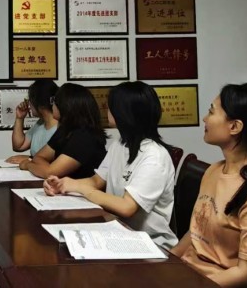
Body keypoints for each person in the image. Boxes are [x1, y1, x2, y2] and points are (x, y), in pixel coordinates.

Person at [171, 84, 247, 287]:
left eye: (211, 111)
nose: (205, 119)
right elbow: (196, 232)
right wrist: (166, 261)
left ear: (235, 127)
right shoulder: (214, 171)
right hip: (191, 275)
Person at [43, 81, 178, 248]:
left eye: (111, 106)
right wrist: (63, 184)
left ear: (124, 112)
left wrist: (82, 189)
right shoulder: (120, 145)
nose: (107, 109)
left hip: (150, 242)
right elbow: (96, 181)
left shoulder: (154, 156)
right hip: (119, 231)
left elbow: (127, 207)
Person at [20, 82, 106, 179]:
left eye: (55, 102)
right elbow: (39, 157)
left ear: (65, 106)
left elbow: (50, 173)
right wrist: (42, 167)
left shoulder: (84, 136)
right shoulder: (65, 130)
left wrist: (28, 165)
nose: (52, 105)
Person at [6, 80, 60, 165]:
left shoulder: (62, 128)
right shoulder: (40, 123)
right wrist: (19, 118)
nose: (28, 104)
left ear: (36, 102)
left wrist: (31, 159)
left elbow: (60, 162)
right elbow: (18, 146)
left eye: (29, 100)